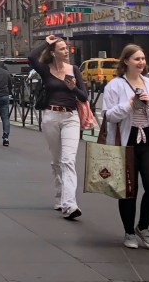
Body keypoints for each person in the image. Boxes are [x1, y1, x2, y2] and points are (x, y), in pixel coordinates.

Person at [101, 44, 149, 250]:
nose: (141, 62)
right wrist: (129, 105)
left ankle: (144, 226)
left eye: (142, 59)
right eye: (136, 59)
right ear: (126, 62)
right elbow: (109, 115)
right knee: (129, 190)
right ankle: (129, 231)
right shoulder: (114, 85)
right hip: (126, 140)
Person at [27, 34, 88, 220]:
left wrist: (73, 89)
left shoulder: (74, 69)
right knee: (57, 160)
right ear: (53, 53)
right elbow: (31, 58)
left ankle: (70, 204)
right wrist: (47, 42)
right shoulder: (46, 70)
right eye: (61, 48)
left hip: (71, 117)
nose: (66, 51)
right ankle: (60, 195)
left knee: (68, 161)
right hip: (51, 117)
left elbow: (84, 97)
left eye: (67, 48)